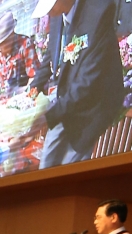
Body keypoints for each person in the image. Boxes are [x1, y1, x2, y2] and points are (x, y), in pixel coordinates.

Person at [31, 0, 124, 169]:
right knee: (47, 162)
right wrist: (34, 87)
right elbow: (52, 54)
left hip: (92, 105)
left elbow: (88, 82)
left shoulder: (97, 13)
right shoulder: (57, 15)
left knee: (70, 164)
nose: (47, 13)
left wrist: (49, 115)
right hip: (65, 99)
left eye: (50, 6)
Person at [0, 11, 41, 116]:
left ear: (11, 36)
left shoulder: (25, 44)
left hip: (24, 101)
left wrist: (20, 94)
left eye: (2, 43)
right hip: (5, 103)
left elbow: (35, 78)